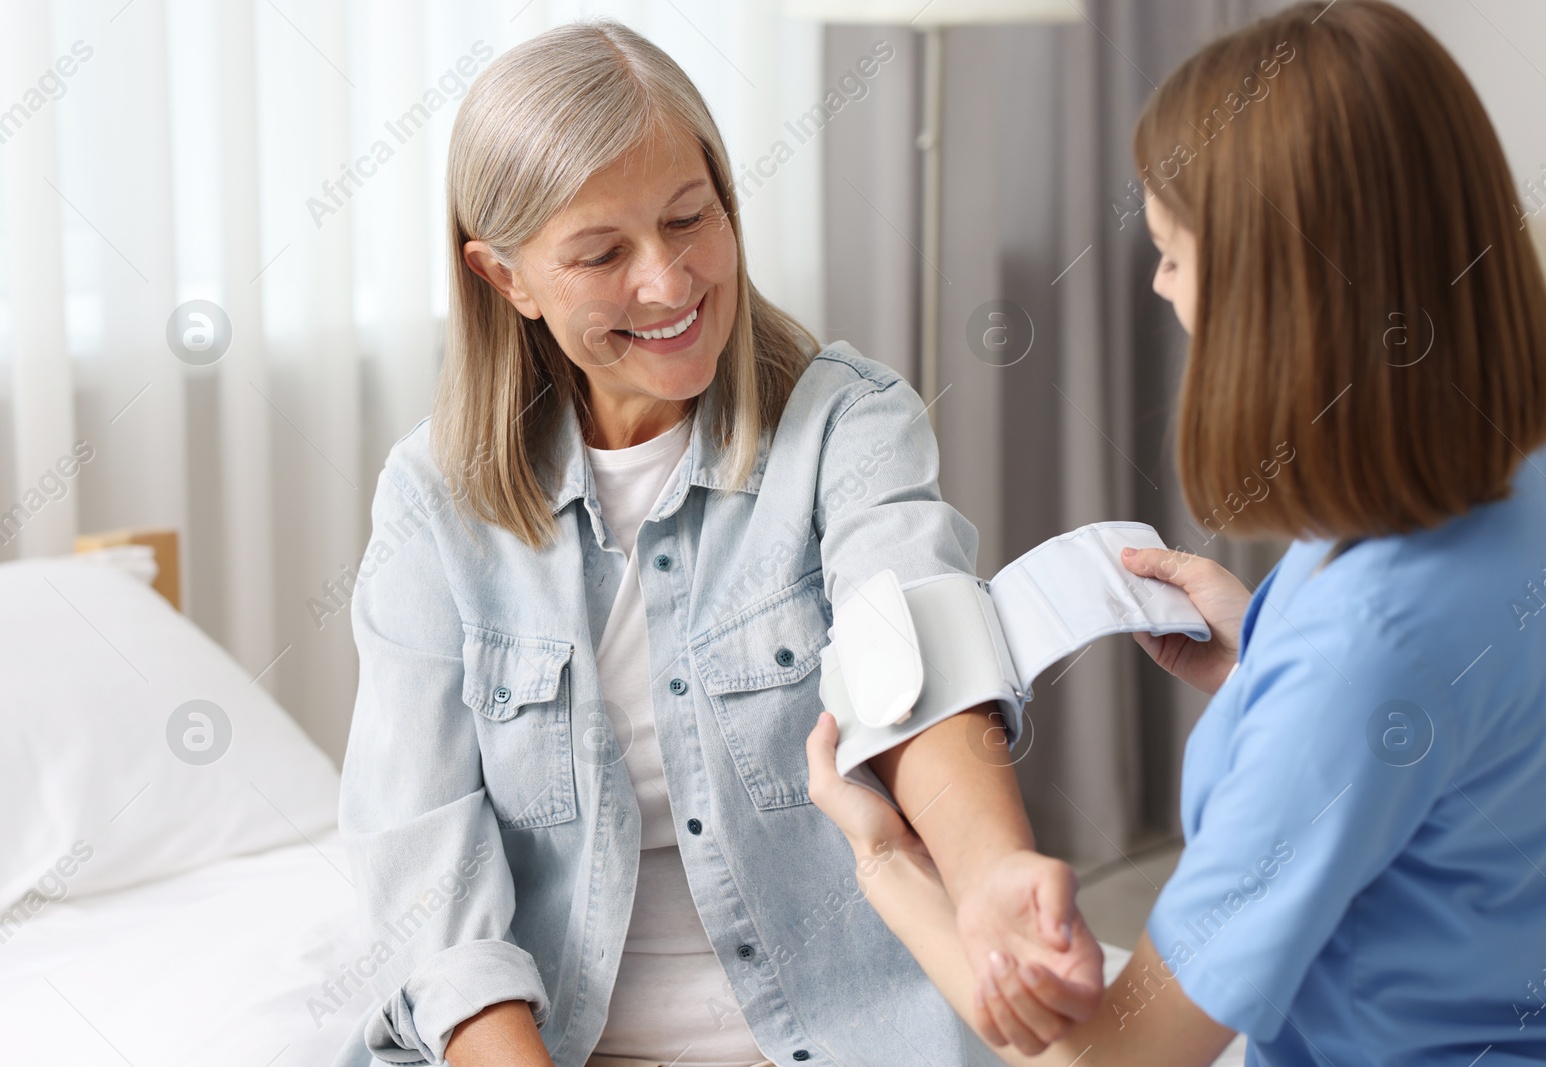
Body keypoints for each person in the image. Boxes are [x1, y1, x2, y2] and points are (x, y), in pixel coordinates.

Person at [805, 2, 1546, 1063]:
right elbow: (1456, 746)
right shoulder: (1503, 462)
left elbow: (1113, 1058)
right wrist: (1263, 659)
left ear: (1281, 302)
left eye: (1173, 254)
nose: (1157, 284)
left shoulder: (1360, 657)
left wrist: (887, 864)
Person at [332, 20, 1101, 1067]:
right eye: (602, 253)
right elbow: (421, 869)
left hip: (848, 1031)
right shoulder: (432, 500)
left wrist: (994, 866)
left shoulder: (846, 423)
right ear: (505, 277)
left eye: (690, 219)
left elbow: (915, 655)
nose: (668, 281)